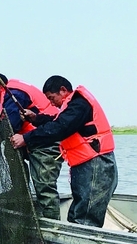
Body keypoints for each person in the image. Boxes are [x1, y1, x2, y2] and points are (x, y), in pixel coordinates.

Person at [10, 75, 117, 228]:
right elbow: (57, 120)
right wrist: (35, 118)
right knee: (78, 213)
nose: (51, 103)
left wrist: (26, 138)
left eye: (52, 98)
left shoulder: (79, 104)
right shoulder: (72, 107)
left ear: (63, 90)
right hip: (86, 165)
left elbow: (59, 128)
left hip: (97, 165)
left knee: (85, 218)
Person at [0, 73, 63, 220]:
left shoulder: (14, 94)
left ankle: (53, 223)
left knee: (44, 185)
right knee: (10, 147)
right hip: (35, 140)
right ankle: (20, 189)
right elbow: (6, 120)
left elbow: (12, 124)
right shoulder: (12, 93)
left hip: (48, 141)